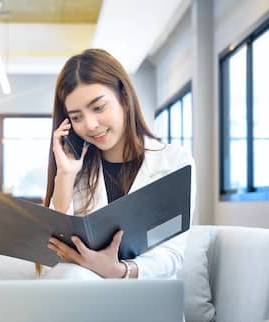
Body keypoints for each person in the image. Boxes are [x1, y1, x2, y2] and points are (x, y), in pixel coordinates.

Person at [42, 48, 196, 280]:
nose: (90, 125)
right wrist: (64, 175)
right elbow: (51, 259)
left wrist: (120, 271)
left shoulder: (174, 161)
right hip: (84, 298)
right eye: (76, 117)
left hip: (147, 300)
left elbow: (172, 254)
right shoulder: (77, 171)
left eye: (98, 107)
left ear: (124, 99)